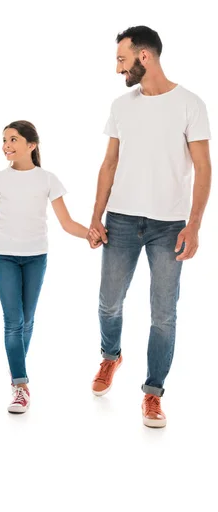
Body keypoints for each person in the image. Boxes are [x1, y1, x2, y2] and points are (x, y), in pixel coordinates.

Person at [89, 26, 212, 427]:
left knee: (164, 314)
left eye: (122, 60)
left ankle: (153, 393)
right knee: (109, 302)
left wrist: (193, 226)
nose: (118, 69)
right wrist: (95, 217)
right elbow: (109, 163)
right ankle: (111, 356)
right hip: (121, 220)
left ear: (145, 57)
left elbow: (203, 167)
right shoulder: (122, 106)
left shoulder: (190, 104)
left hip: (169, 226)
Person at [0, 120, 100, 413]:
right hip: (4, 256)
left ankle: (18, 378)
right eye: (4, 140)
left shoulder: (48, 179)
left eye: (13, 139)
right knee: (13, 321)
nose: (6, 145)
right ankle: (21, 385)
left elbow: (67, 223)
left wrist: (90, 235)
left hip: (35, 257)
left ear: (32, 145)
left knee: (27, 321)